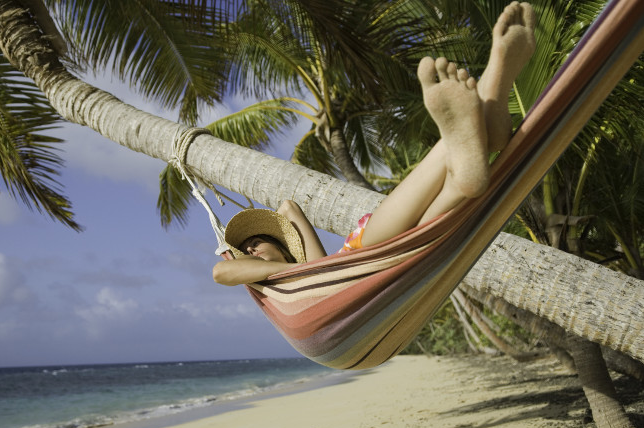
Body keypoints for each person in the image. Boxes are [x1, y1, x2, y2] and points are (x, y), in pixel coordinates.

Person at [213, 2, 536, 287]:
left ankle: (488, 99)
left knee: (457, 186)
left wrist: (274, 251)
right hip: (398, 271)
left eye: (255, 243)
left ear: (282, 245)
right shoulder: (289, 288)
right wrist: (243, 259)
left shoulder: (313, 268)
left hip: (365, 255)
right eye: (248, 252)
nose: (251, 251)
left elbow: (288, 208)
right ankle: (483, 115)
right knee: (453, 193)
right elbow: (220, 273)